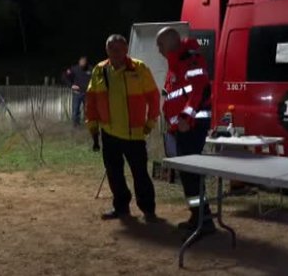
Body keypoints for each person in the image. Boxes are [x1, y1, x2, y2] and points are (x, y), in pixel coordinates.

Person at [85, 34, 160, 222]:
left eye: (118, 49)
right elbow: (91, 101)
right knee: (114, 173)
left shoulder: (139, 68)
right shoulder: (99, 71)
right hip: (109, 133)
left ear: (126, 49)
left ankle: (148, 210)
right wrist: (93, 128)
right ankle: (121, 208)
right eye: (111, 49)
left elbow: (154, 97)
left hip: (134, 134)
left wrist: (150, 123)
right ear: (106, 50)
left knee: (140, 174)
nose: (115, 53)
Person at [156, 27, 216, 238]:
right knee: (187, 175)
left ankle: (203, 221)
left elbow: (200, 91)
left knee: (190, 174)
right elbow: (174, 95)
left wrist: (184, 118)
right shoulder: (175, 63)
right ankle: (198, 216)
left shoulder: (190, 59)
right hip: (181, 128)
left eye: (160, 45)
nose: (158, 50)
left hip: (192, 127)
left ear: (171, 42)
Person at [63, 56, 92, 127]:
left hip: (87, 93)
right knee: (75, 110)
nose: (82, 63)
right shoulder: (74, 69)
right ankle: (76, 125)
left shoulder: (91, 69)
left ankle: (88, 125)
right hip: (77, 93)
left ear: (86, 62)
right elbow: (64, 76)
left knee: (88, 110)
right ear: (79, 62)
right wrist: (71, 85)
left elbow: (95, 79)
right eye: (81, 62)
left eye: (84, 62)